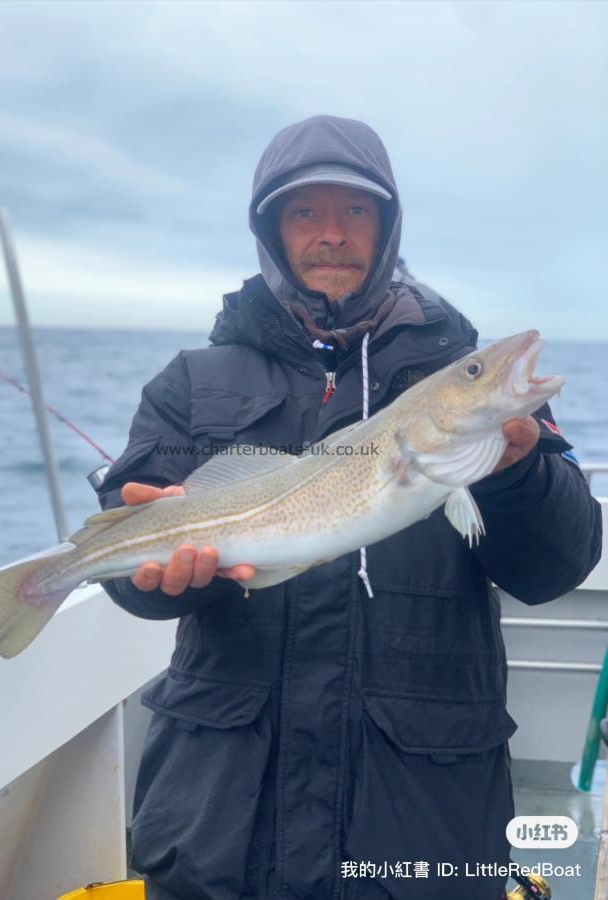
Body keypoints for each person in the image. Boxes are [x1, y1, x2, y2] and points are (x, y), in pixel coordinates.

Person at [97, 115, 602, 900]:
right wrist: (164, 570)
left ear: (387, 226)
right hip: (224, 816)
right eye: (304, 212)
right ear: (271, 230)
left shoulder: (458, 381)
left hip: (419, 820)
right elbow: (132, 584)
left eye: (354, 211)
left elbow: (557, 566)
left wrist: (514, 471)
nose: (330, 233)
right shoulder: (191, 381)